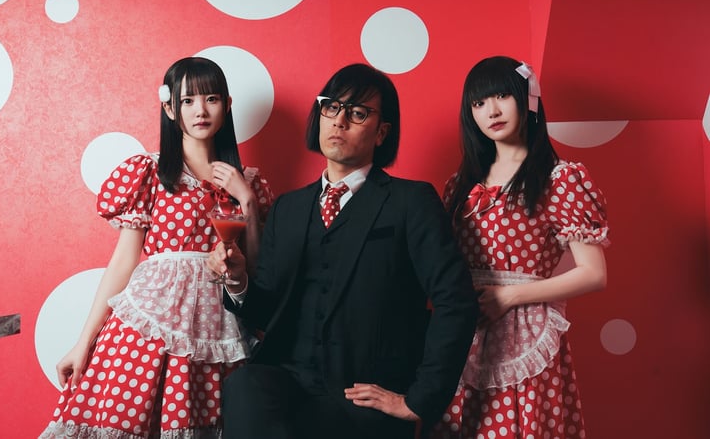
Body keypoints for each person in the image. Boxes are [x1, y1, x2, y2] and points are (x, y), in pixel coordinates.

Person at [207, 63, 479, 439]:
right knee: (244, 386)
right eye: (331, 107)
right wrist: (237, 281)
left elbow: (457, 302)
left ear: (382, 132)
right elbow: (266, 312)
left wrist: (419, 400)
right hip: (287, 384)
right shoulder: (288, 208)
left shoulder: (411, 202)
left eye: (358, 113)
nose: (339, 120)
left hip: (366, 396)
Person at [40, 57, 273, 438]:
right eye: (187, 100)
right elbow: (123, 262)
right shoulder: (150, 173)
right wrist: (83, 343)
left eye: (211, 99)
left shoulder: (249, 183)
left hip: (219, 327)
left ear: (227, 105)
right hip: (151, 325)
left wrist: (245, 199)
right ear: (169, 108)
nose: (200, 110)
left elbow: (257, 270)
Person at [431, 56, 609, 439]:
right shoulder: (460, 185)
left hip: (524, 329)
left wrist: (510, 297)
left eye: (501, 96)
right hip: (465, 328)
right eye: (479, 103)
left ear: (527, 99)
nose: (491, 111)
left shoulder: (560, 179)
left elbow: (594, 274)